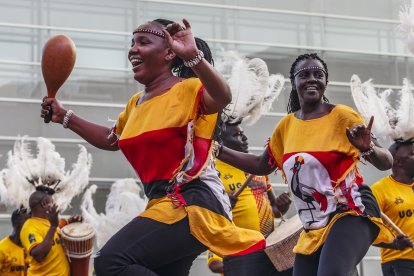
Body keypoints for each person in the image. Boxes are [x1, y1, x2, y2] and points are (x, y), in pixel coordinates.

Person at [41, 19, 266, 276]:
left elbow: (222, 96)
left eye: (143, 42)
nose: (133, 50)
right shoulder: (136, 104)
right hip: (163, 204)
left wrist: (193, 56)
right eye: (132, 43)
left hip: (192, 201)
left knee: (110, 261)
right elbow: (111, 139)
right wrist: (65, 117)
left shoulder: (189, 89)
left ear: (170, 52)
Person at [215, 53, 394, 276]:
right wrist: (216, 149)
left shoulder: (342, 116)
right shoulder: (286, 126)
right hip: (311, 225)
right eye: (305, 74)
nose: (312, 78)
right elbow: (262, 165)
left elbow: (386, 162)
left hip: (350, 210)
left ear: (325, 82)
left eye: (318, 74)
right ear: (294, 82)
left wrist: (367, 147)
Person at [207, 118, 292, 275]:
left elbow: (274, 210)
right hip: (240, 256)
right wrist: (222, 204)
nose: (245, 138)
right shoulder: (212, 172)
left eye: (243, 133)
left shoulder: (256, 168)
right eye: (237, 135)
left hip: (268, 252)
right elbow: (207, 217)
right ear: (220, 142)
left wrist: (281, 207)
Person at [371, 140, 414, 276]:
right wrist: (393, 244)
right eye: (413, 154)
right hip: (399, 261)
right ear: (398, 161)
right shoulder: (379, 190)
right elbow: (368, 233)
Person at [20, 186, 82, 276]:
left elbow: (58, 226)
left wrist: (71, 221)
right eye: (52, 202)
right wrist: (53, 226)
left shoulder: (49, 222)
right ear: (44, 203)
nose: (55, 205)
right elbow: (39, 255)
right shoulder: (29, 227)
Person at [0, 207, 29, 275]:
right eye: (26, 222)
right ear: (16, 224)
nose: (30, 226)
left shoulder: (33, 247)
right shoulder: (2, 248)